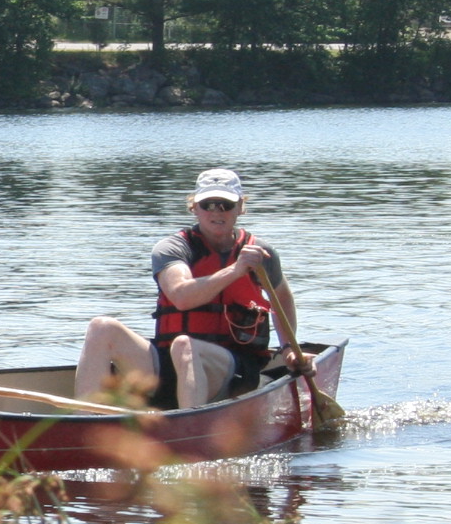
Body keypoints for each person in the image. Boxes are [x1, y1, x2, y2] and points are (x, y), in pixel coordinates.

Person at [74, 167, 306, 409]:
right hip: (167, 365)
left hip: (233, 371)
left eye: (225, 204)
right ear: (194, 208)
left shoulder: (259, 253)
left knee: (185, 345)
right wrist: (235, 270)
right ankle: (86, 421)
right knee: (102, 327)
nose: (216, 212)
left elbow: (282, 298)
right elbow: (181, 296)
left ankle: (188, 424)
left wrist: (289, 348)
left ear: (240, 208)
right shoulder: (172, 248)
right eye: (207, 204)